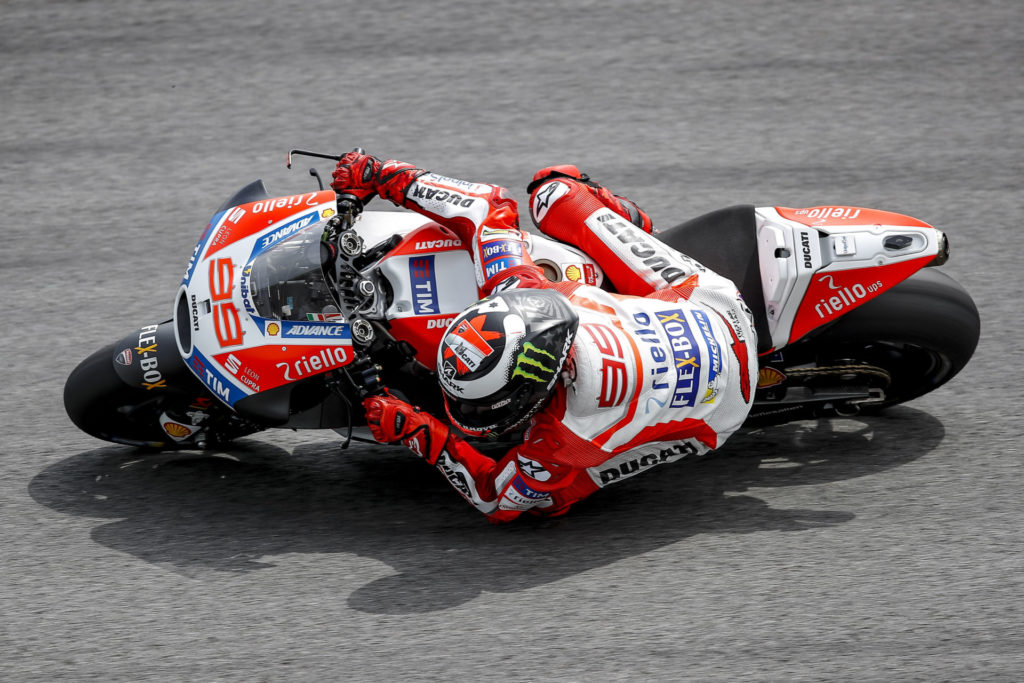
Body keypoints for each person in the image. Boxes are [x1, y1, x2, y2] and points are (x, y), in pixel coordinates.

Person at [330, 151, 757, 523]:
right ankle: (634, 228)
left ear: (534, 395)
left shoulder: (559, 439)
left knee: (549, 503)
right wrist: (382, 174)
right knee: (554, 190)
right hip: (711, 306)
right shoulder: (522, 293)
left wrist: (419, 432)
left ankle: (637, 232)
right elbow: (485, 205)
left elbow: (497, 501)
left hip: (724, 410)